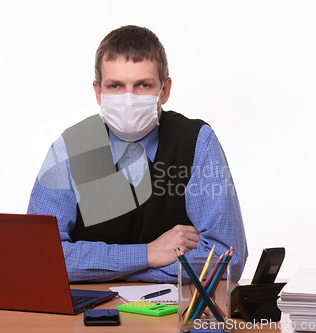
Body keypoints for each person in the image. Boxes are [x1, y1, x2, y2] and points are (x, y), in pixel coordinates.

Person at [28, 25, 247, 283]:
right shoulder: (68, 150)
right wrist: (147, 254)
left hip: (171, 316)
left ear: (164, 91)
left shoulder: (198, 142)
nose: (129, 99)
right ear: (98, 92)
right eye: (116, 86)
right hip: (86, 317)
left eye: (143, 85)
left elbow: (225, 259)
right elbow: (39, 256)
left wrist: (113, 272)